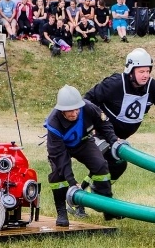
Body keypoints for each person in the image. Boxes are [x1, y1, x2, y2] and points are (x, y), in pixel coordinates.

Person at [83, 48, 155, 189]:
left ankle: (92, 191)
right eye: (141, 72)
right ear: (130, 71)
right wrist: (91, 126)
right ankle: (92, 192)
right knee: (113, 162)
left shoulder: (152, 86)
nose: (146, 75)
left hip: (119, 138)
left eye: (148, 71)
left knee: (114, 165)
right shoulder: (114, 83)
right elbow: (87, 100)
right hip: (100, 133)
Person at [45, 85, 118, 226]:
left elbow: (104, 124)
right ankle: (62, 213)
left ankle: (107, 205)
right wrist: (72, 182)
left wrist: (114, 140)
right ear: (61, 110)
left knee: (101, 165)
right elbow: (60, 157)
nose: (74, 113)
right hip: (61, 148)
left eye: (76, 109)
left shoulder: (88, 108)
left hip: (83, 142)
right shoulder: (53, 122)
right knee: (57, 175)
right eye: (69, 111)